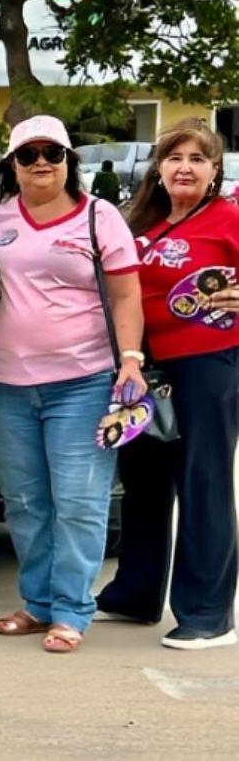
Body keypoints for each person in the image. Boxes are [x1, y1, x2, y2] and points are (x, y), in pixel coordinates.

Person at [0, 116, 144, 654]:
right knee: (25, 501)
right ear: (12, 166)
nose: (42, 163)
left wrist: (130, 359)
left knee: (78, 500)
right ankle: (38, 603)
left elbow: (125, 297)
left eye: (53, 152)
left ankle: (72, 609)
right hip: (6, 385)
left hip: (84, 380)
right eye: (29, 155)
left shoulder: (101, 218)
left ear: (70, 160)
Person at [96, 120, 239, 650]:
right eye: (174, 157)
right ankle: (133, 594)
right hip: (142, 367)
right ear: (158, 168)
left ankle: (208, 613)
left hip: (207, 364)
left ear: (214, 170)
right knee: (144, 479)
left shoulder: (229, 219)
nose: (184, 167)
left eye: (197, 159)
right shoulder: (141, 220)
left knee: (203, 482)